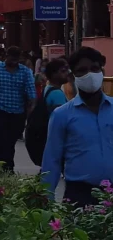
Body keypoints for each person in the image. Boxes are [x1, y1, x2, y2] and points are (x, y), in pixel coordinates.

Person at [42, 47, 113, 207]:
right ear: (73, 76)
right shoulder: (62, 115)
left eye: (94, 69)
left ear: (102, 71)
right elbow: (52, 160)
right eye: (82, 70)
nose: (90, 75)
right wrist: (46, 200)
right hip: (79, 196)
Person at [0, 46, 36, 173]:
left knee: (12, 139)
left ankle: (7, 161)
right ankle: (5, 165)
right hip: (0, 109)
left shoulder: (25, 72)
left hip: (18, 112)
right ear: (6, 56)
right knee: (1, 137)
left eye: (16, 59)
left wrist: (31, 109)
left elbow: (31, 92)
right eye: (11, 58)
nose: (13, 61)